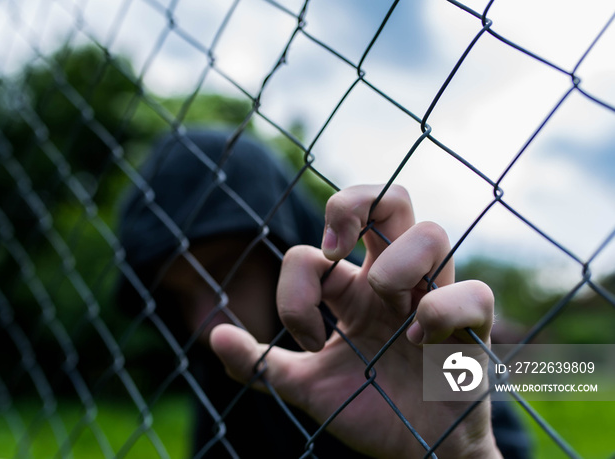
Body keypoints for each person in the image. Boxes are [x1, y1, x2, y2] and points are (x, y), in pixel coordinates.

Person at [117, 129, 531, 458]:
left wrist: (463, 453)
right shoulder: (225, 369)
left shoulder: (405, 324)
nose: (206, 322)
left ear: (277, 247)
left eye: (226, 274)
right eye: (183, 297)